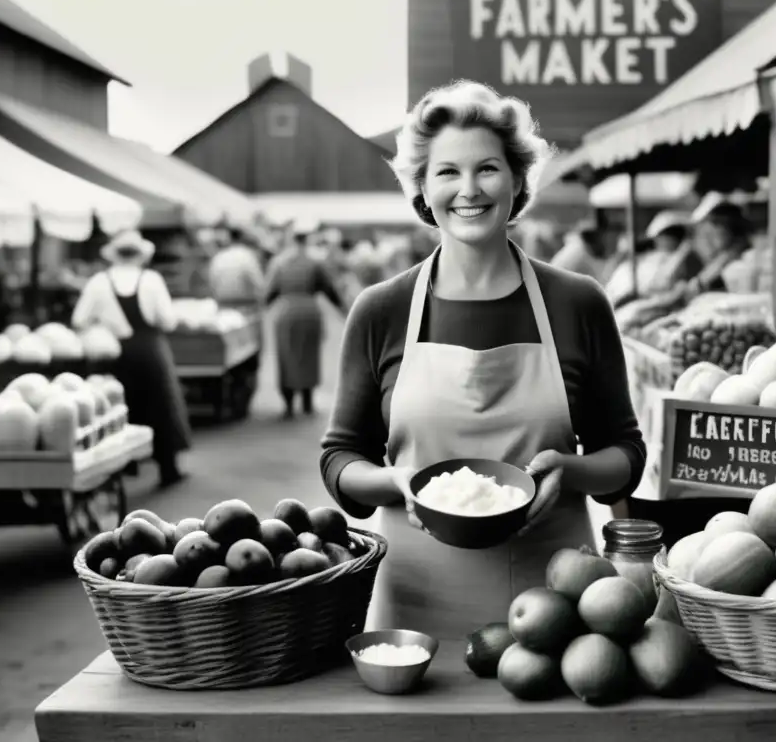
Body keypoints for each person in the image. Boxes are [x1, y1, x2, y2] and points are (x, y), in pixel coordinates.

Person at [319, 80, 646, 637]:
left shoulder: (578, 302)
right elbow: (340, 460)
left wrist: (570, 471)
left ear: (518, 179)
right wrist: (396, 481)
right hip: (417, 608)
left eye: (487, 168)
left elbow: (625, 455)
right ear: (421, 186)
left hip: (559, 607)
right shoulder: (381, 310)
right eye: (447, 171)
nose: (468, 189)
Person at [71, 229, 191, 487]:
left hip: (114, 355)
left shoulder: (98, 282)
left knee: (119, 409)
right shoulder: (151, 280)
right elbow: (167, 321)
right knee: (161, 406)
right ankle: (167, 469)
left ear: (114, 255)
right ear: (140, 255)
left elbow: (79, 320)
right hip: (150, 351)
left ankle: (122, 469)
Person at [265, 226, 346, 418]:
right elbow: (329, 290)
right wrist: (343, 310)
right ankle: (307, 403)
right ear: (307, 239)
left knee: (287, 357)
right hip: (309, 312)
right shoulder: (315, 261)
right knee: (309, 357)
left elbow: (269, 294)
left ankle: (288, 405)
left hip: (286, 311)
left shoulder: (279, 262)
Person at [604, 210, 702, 308]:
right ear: (656, 237)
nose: (670, 239)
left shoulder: (681, 258)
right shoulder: (640, 259)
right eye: (668, 234)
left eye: (675, 234)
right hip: (626, 304)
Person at [549, 217, 621, 285]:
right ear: (601, 233)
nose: (616, 243)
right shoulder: (577, 255)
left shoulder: (588, 251)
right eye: (615, 237)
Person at [208, 227, 266, 307]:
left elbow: (212, 283)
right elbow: (259, 284)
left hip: (222, 305)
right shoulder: (247, 255)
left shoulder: (219, 256)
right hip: (245, 306)